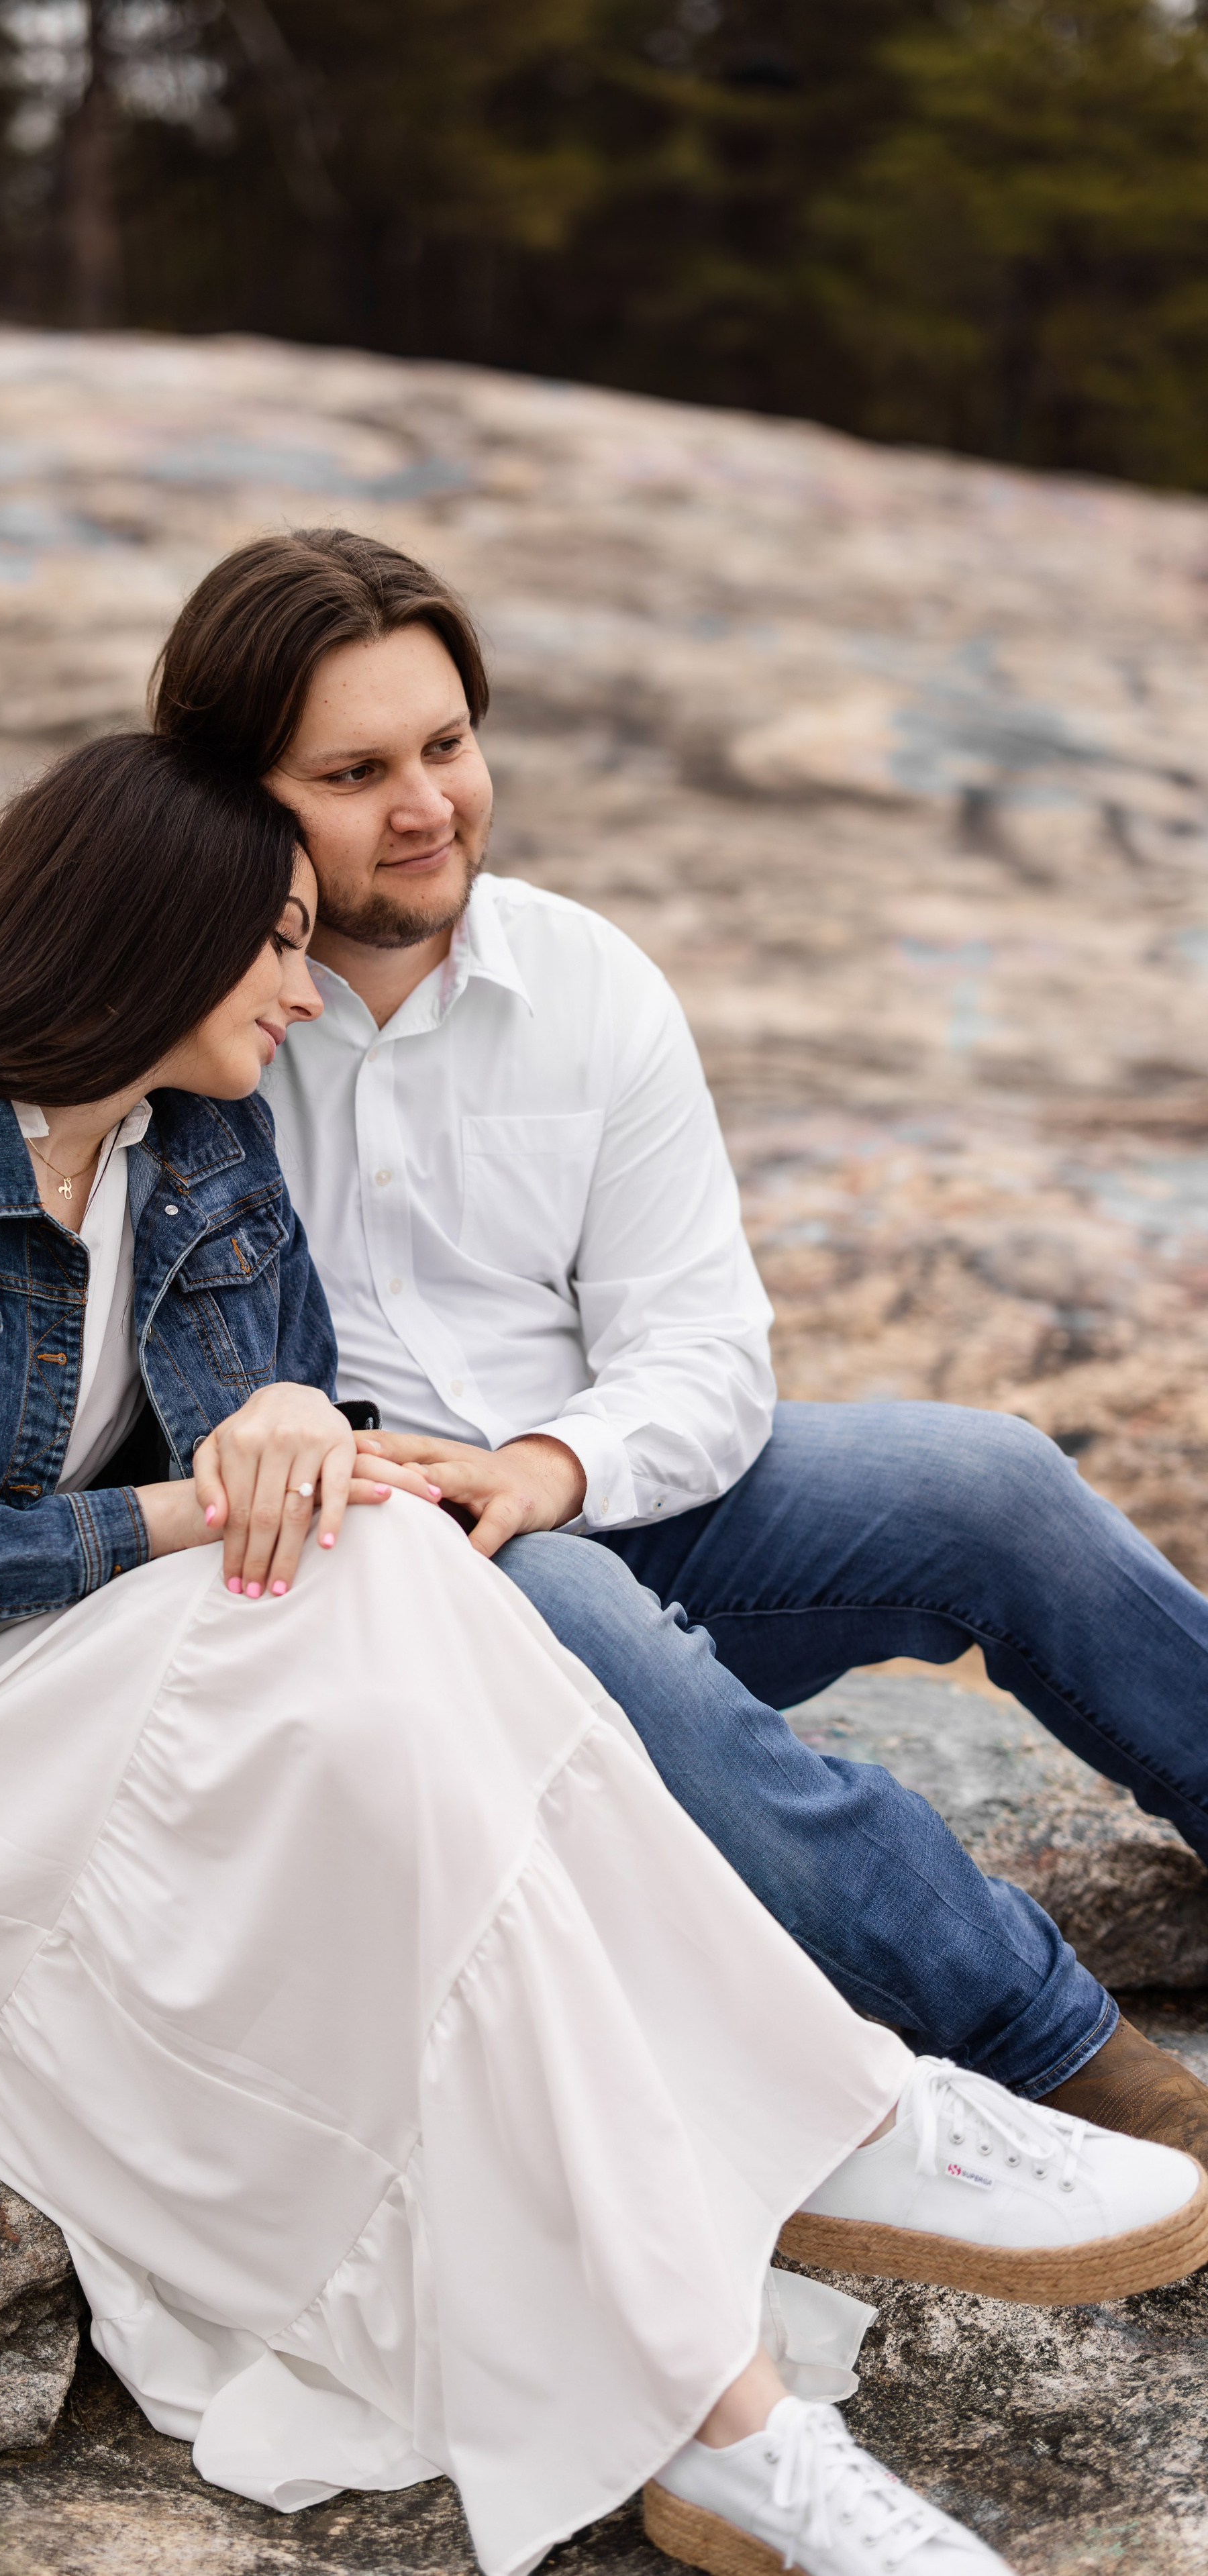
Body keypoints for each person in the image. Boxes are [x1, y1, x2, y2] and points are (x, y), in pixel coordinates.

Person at [0, 732, 1207, 2576]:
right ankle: (847, 2116)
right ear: (137, 933)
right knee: (385, 1567)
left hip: (58, 1701)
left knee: (388, 1560)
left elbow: (310, 1431)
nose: (306, 982)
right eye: (269, 941)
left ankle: (739, 2402)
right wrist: (163, 1520)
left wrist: (279, 1415)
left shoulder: (204, 1143)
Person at [146, 526, 1208, 2165]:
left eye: (445, 744)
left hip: (590, 1493)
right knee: (560, 1612)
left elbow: (703, 1350)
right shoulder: (171, 1022)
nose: (427, 804)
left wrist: (550, 1464)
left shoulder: (584, 981)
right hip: (363, 1583)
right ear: (229, 796)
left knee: (983, 1477)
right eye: (354, 770)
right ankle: (1048, 2044)